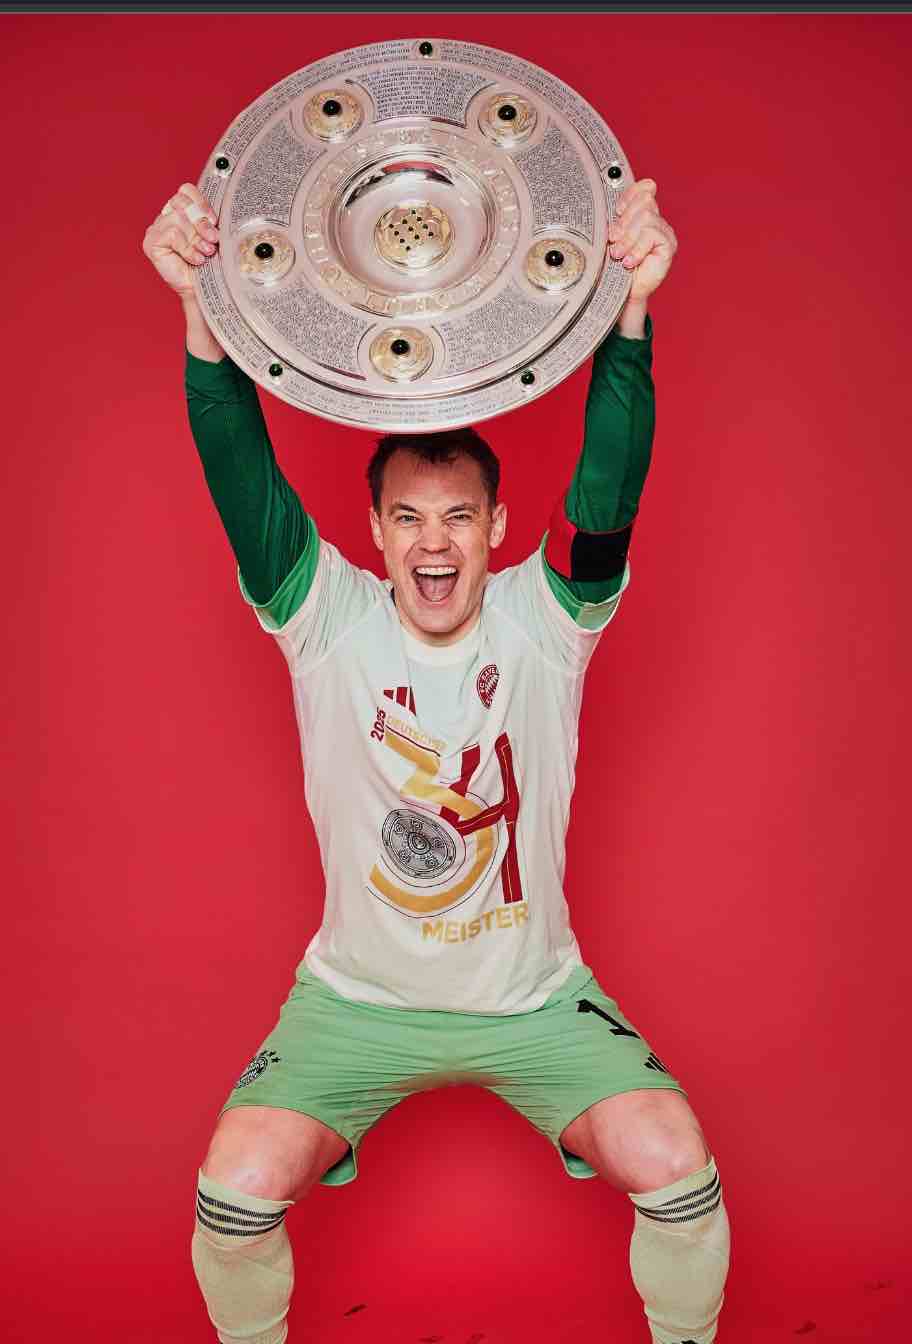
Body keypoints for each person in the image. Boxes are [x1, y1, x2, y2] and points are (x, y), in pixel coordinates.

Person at [143, 173, 730, 1344]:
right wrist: (202, 309)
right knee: (234, 1193)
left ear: (496, 529)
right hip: (356, 1006)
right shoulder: (326, 617)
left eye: (458, 516)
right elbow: (242, 477)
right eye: (409, 518)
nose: (434, 544)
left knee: (676, 1165)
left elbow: (605, 491)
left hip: (533, 999)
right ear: (374, 532)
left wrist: (630, 313)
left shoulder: (546, 620)